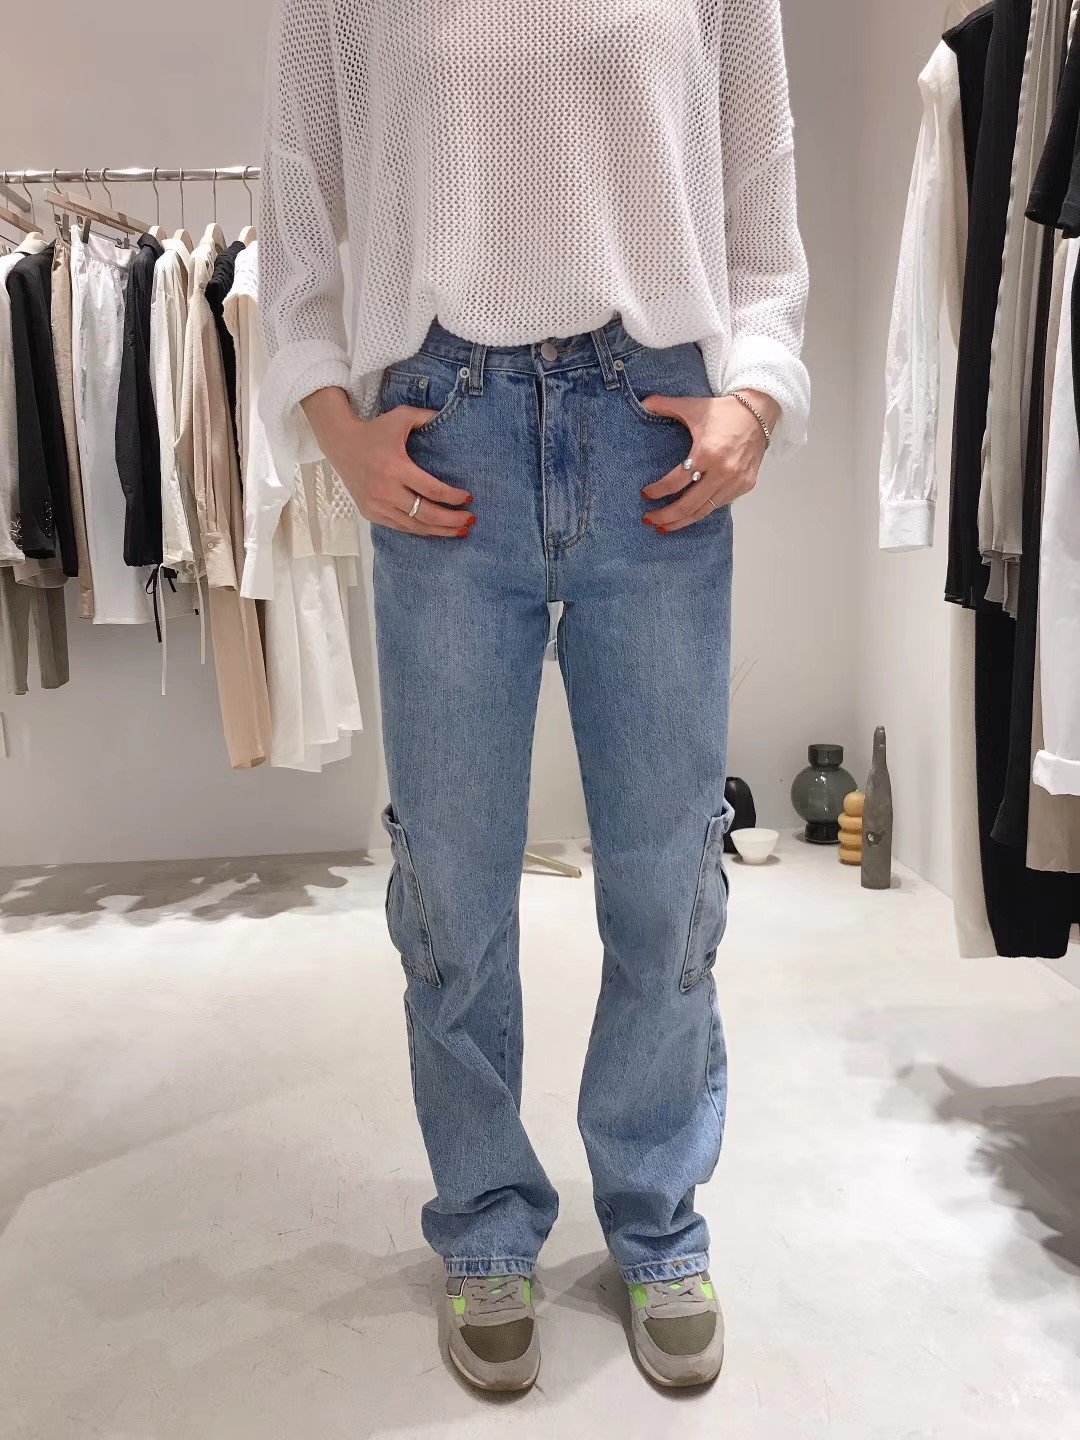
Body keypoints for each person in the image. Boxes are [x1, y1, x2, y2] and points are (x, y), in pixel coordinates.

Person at [259, 0, 809, 1393]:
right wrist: (336, 433)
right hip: (446, 436)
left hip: (654, 439)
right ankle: (488, 1215)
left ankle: (656, 1211)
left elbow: (763, 209)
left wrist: (757, 397)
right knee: (452, 885)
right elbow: (297, 211)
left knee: (664, 877)